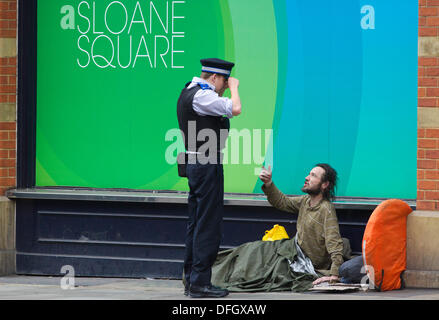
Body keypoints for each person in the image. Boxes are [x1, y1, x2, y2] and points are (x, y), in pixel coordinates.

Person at [176, 58, 242, 298]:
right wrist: (235, 88)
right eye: (224, 81)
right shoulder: (202, 96)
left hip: (196, 163)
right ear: (214, 77)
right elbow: (235, 109)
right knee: (207, 225)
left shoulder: (188, 91)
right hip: (206, 164)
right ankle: (200, 283)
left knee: (196, 223)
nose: (225, 86)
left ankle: (192, 280)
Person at [259, 163, 345, 285]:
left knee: (259, 263)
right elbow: (282, 202)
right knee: (255, 251)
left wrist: (334, 275)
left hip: (304, 262)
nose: (307, 177)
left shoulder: (326, 209)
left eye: (313, 175)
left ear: (324, 184)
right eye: (309, 174)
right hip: (293, 252)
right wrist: (268, 183)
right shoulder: (305, 201)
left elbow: (334, 242)